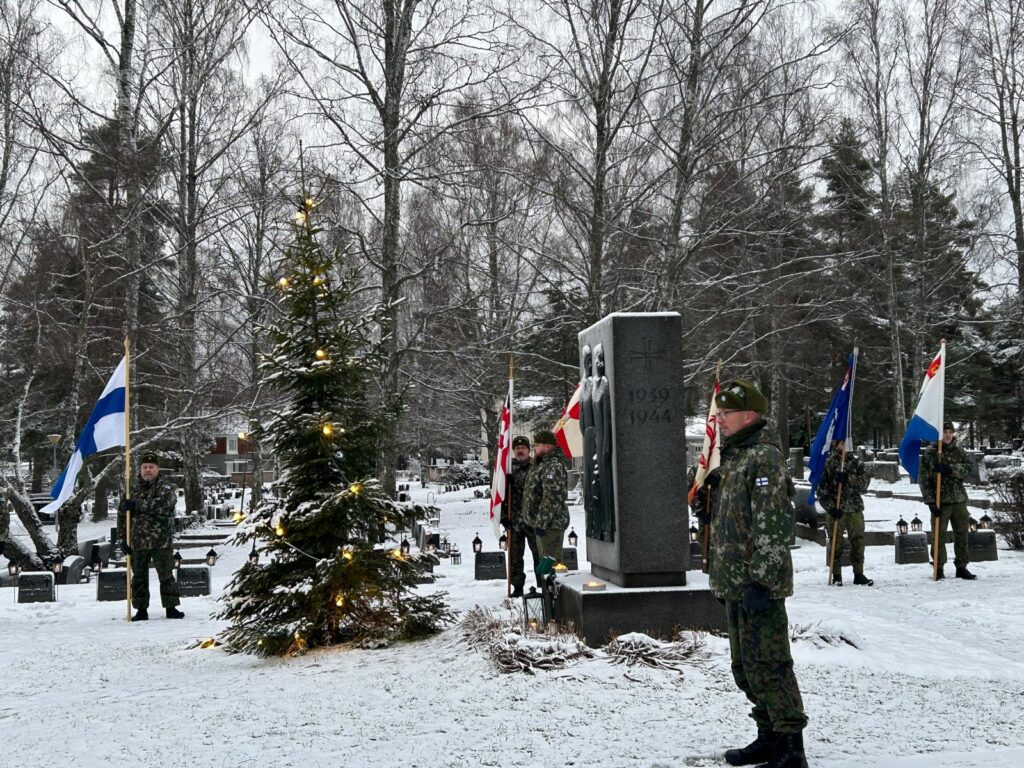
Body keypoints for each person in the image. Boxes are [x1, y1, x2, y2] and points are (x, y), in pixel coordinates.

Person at [710, 379, 809, 768]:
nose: (719, 420)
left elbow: (773, 527)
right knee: (745, 668)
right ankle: (767, 735)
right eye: (718, 413)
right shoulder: (735, 457)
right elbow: (734, 522)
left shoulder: (763, 457)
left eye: (726, 413)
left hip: (757, 584)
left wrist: (762, 581)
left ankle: (790, 746)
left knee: (770, 664)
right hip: (735, 580)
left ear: (749, 415)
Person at [118, 452, 184, 621]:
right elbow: (122, 515)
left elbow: (163, 505)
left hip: (161, 541)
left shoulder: (166, 487)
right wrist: (121, 538)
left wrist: (137, 504)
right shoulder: (130, 490)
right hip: (138, 541)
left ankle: (171, 607)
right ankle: (141, 609)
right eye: (144, 467)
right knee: (139, 577)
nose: (147, 470)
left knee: (166, 575)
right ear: (140, 470)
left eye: (151, 467)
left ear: (157, 469)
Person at [919, 421, 976, 580]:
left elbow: (968, 469)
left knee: (962, 534)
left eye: (950, 432)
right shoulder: (931, 453)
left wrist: (951, 469)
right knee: (939, 535)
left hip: (958, 499)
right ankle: (939, 566)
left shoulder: (958, 450)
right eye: (945, 432)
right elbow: (923, 479)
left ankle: (962, 566)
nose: (948, 435)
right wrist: (930, 501)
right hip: (940, 501)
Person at [818, 441, 873, 586]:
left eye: (848, 442)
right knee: (836, 542)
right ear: (837, 444)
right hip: (837, 510)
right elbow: (821, 491)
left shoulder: (857, 464)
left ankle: (859, 573)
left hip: (854, 508)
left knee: (858, 542)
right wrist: (831, 508)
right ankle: (836, 575)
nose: (845, 445)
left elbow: (864, 485)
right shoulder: (829, 464)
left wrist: (848, 478)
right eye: (842, 443)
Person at [521, 430, 569, 577]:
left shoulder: (552, 466)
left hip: (551, 525)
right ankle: (548, 596)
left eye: (537, 445)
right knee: (545, 567)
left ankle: (554, 598)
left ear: (547, 446)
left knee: (551, 567)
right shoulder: (541, 464)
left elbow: (552, 497)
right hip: (543, 524)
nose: (534, 448)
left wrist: (541, 522)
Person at [500, 435, 539, 597]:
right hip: (515, 520)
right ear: (513, 451)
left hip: (534, 520)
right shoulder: (509, 469)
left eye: (523, 448)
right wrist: (503, 516)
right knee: (515, 557)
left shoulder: (537, 467)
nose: (520, 450)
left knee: (539, 555)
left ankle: (543, 584)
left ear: (529, 450)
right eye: (517, 448)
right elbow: (501, 496)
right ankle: (517, 586)